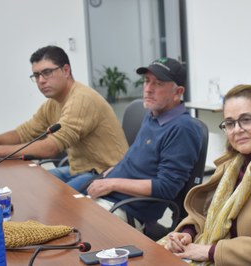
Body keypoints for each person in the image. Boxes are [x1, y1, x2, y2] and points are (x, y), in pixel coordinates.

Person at [160, 84, 251, 266]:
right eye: (230, 123)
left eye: (247, 119)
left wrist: (208, 251)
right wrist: (187, 233)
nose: (237, 129)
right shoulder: (232, 163)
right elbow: (205, 213)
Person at [87, 57, 204, 232]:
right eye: (147, 81)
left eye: (158, 83)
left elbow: (166, 188)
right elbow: (141, 157)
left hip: (126, 210)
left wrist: (112, 183)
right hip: (108, 197)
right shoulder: (154, 114)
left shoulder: (183, 129)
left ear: (177, 92)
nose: (148, 89)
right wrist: (117, 170)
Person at [0, 45, 128, 191]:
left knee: (52, 199)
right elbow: (23, 133)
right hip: (79, 169)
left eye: (47, 72)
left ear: (66, 70)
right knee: (28, 183)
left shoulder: (82, 99)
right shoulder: (53, 103)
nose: (41, 80)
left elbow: (51, 148)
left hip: (106, 172)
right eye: (36, 75)